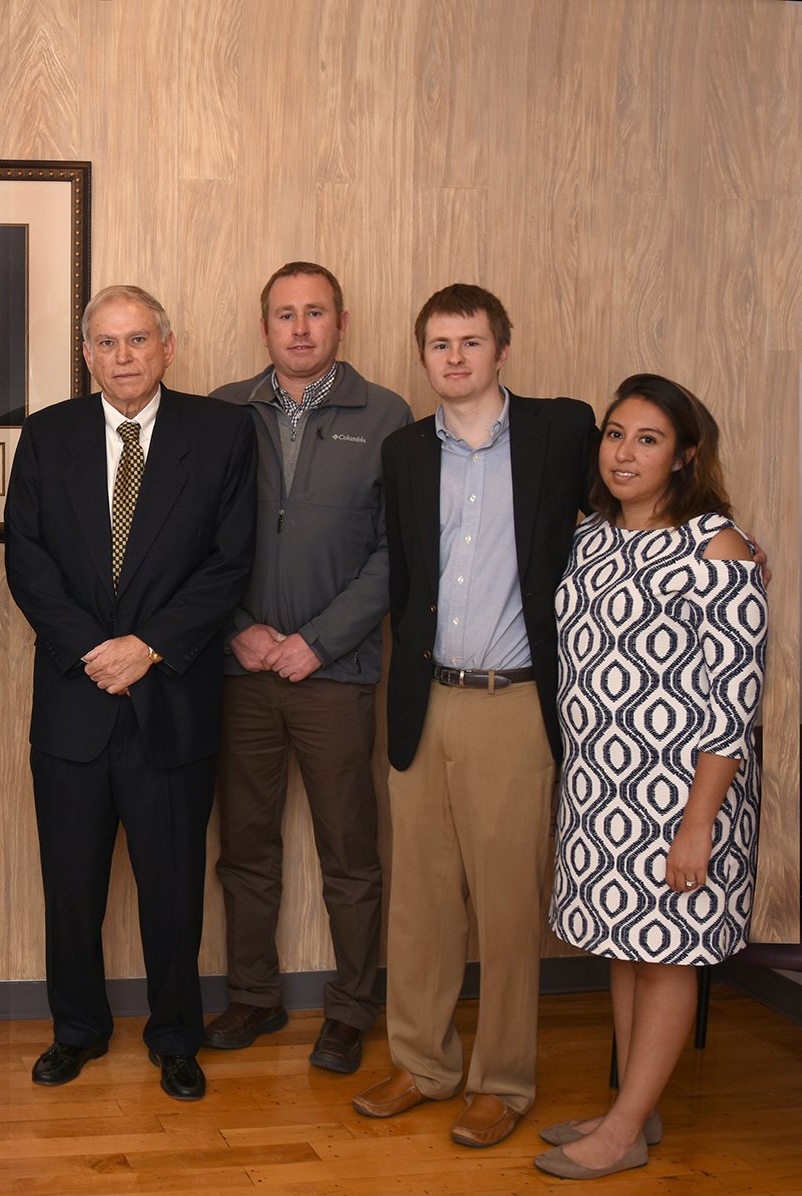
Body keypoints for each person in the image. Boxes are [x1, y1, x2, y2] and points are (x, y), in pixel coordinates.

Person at [354, 284, 597, 1148]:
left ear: (503, 348)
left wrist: (720, 538)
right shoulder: (405, 450)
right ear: (423, 355)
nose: (454, 358)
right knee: (420, 903)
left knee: (503, 904)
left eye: (471, 342)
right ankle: (422, 1065)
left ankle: (502, 1081)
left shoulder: (562, 431)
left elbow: (626, 512)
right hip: (425, 698)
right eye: (439, 344)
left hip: (515, 702)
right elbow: (408, 578)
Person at [4, 284, 256, 1102]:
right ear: (87, 356)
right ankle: (76, 1029)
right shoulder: (47, 436)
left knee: (173, 891)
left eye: (138, 340)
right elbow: (27, 561)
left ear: (167, 347)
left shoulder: (221, 436)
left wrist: (147, 648)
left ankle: (176, 1037)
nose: (123, 357)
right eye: (106, 344)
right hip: (75, 704)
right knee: (70, 889)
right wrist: (91, 650)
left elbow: (229, 562)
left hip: (170, 704)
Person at [533, 376, 764, 1181]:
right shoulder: (595, 536)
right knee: (624, 950)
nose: (624, 453)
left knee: (666, 953)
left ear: (685, 456)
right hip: (603, 785)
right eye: (616, 434)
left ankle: (624, 1129)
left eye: (648, 439)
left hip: (682, 793)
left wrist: (699, 821)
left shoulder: (718, 549)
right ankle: (634, 1109)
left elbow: (733, 702)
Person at [203, 263, 410, 1073]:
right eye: (284, 314)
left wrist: (317, 641)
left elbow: (399, 554)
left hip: (336, 672)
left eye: (315, 313)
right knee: (244, 847)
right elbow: (193, 542)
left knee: (349, 852)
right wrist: (238, 632)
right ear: (265, 329)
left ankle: (352, 1010)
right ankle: (253, 997)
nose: (299, 328)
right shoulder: (223, 411)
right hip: (240, 671)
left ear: (341, 322)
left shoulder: (387, 414)